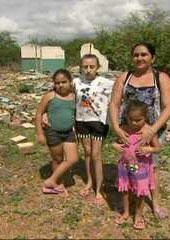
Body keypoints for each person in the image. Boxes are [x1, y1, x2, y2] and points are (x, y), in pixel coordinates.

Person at [109, 42, 170, 218]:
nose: (139, 58)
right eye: (136, 55)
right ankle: (128, 196)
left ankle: (156, 203)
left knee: (152, 168)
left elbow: (168, 107)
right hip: (128, 132)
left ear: (152, 57)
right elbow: (114, 104)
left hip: (154, 131)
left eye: (144, 54)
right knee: (129, 163)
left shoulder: (161, 78)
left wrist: (152, 130)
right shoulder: (125, 77)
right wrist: (116, 127)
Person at [112, 100, 162, 230]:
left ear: (145, 117)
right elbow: (114, 142)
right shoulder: (123, 128)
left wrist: (147, 149)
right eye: (131, 120)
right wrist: (116, 145)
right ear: (126, 117)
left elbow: (158, 148)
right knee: (125, 190)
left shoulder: (149, 131)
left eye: (138, 120)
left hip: (142, 168)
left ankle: (139, 215)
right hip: (125, 166)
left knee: (140, 192)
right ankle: (126, 212)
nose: (134, 123)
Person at [74, 53, 114, 206]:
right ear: (81, 68)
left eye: (92, 66)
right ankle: (89, 182)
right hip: (81, 121)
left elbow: (119, 98)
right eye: (85, 67)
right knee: (88, 153)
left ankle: (99, 189)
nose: (88, 70)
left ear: (98, 67)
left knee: (96, 155)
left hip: (98, 122)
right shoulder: (76, 82)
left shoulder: (106, 83)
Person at [35, 69, 78, 195]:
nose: (60, 85)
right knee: (57, 159)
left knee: (73, 158)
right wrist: (40, 134)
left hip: (69, 132)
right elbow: (38, 114)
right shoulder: (50, 96)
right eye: (57, 83)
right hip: (53, 132)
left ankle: (51, 180)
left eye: (63, 82)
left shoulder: (75, 97)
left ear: (70, 82)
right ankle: (58, 184)